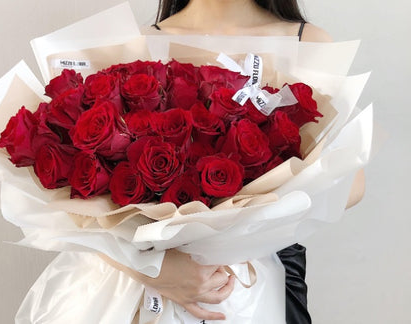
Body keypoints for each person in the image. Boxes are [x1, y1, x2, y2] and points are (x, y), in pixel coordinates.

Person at [104, 0, 366, 322]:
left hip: (267, 270)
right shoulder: (138, 42)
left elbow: (350, 183)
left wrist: (238, 227)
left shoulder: (307, 41)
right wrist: (153, 270)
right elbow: (92, 207)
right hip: (149, 283)